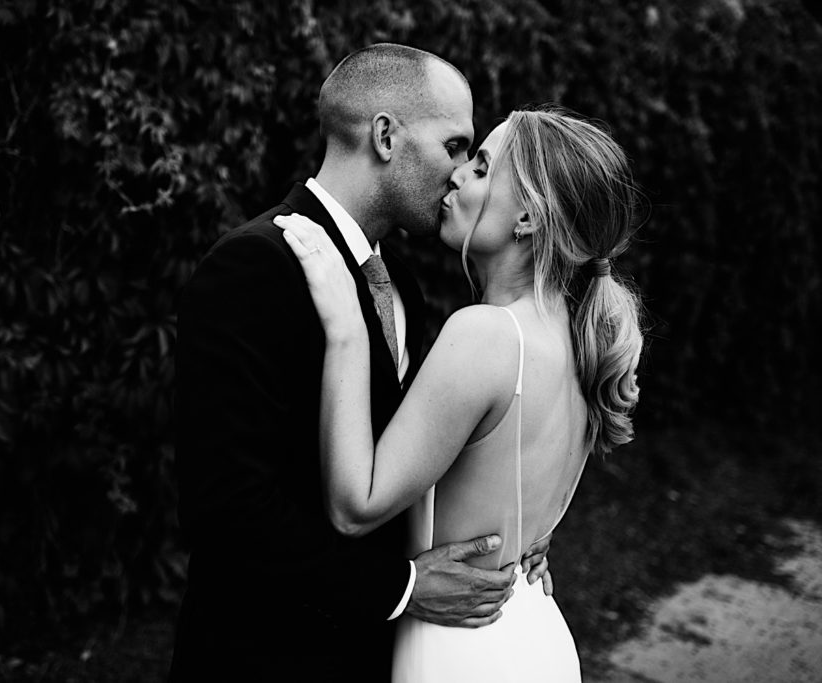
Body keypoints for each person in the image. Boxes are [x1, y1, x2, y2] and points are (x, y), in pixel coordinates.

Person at [170, 44, 551, 683]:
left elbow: (411, 458)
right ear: (384, 136)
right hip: (263, 658)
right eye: (456, 146)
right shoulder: (255, 265)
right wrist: (399, 588)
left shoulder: (402, 279)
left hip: (377, 661)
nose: (461, 173)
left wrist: (508, 539)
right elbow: (224, 508)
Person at [274, 106, 644, 681]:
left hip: (461, 649)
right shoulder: (581, 339)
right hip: (535, 632)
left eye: (481, 167)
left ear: (526, 216)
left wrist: (346, 327)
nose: (456, 176)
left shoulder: (487, 335)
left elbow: (356, 506)